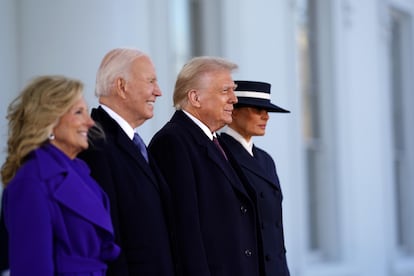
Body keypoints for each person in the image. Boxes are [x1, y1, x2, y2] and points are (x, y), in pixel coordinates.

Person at [148, 56, 260, 276]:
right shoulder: (173, 142)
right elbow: (184, 232)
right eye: (225, 91)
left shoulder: (215, 141)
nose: (234, 99)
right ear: (195, 97)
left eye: (233, 90)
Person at [0, 75, 120, 275]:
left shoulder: (80, 171)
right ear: (49, 121)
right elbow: (32, 269)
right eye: (78, 112)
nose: (90, 122)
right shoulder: (31, 181)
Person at [78, 48, 177, 276]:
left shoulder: (133, 142)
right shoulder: (96, 142)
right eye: (151, 81)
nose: (159, 92)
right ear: (122, 87)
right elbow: (108, 233)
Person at [219, 80, 290, 276]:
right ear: (233, 111)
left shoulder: (266, 160)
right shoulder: (221, 153)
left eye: (267, 111)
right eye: (257, 109)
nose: (266, 116)